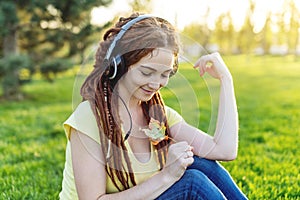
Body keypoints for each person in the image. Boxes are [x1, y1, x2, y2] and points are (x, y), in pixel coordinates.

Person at [59, 13, 248, 200]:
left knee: (199, 163)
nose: (156, 84)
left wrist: (226, 79)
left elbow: (224, 150)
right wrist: (167, 176)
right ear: (118, 64)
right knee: (192, 182)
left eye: (165, 74)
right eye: (147, 72)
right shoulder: (89, 117)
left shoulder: (158, 115)